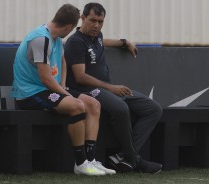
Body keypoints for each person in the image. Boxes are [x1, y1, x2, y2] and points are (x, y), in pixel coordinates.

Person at [10, 4, 115, 176]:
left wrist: (63, 86)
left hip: (48, 89)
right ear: (68, 27)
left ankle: (90, 160)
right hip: (30, 93)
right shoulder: (40, 40)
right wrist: (66, 94)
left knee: (94, 105)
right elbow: (45, 78)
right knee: (78, 106)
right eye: (73, 28)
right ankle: (80, 163)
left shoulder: (56, 38)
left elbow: (63, 62)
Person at [64, 2, 163, 174]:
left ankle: (123, 157)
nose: (96, 26)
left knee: (153, 109)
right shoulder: (75, 42)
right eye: (93, 20)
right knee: (121, 108)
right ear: (83, 18)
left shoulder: (98, 36)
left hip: (108, 89)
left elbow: (104, 41)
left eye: (100, 22)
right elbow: (80, 77)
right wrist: (111, 87)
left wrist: (124, 42)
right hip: (87, 91)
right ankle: (135, 160)